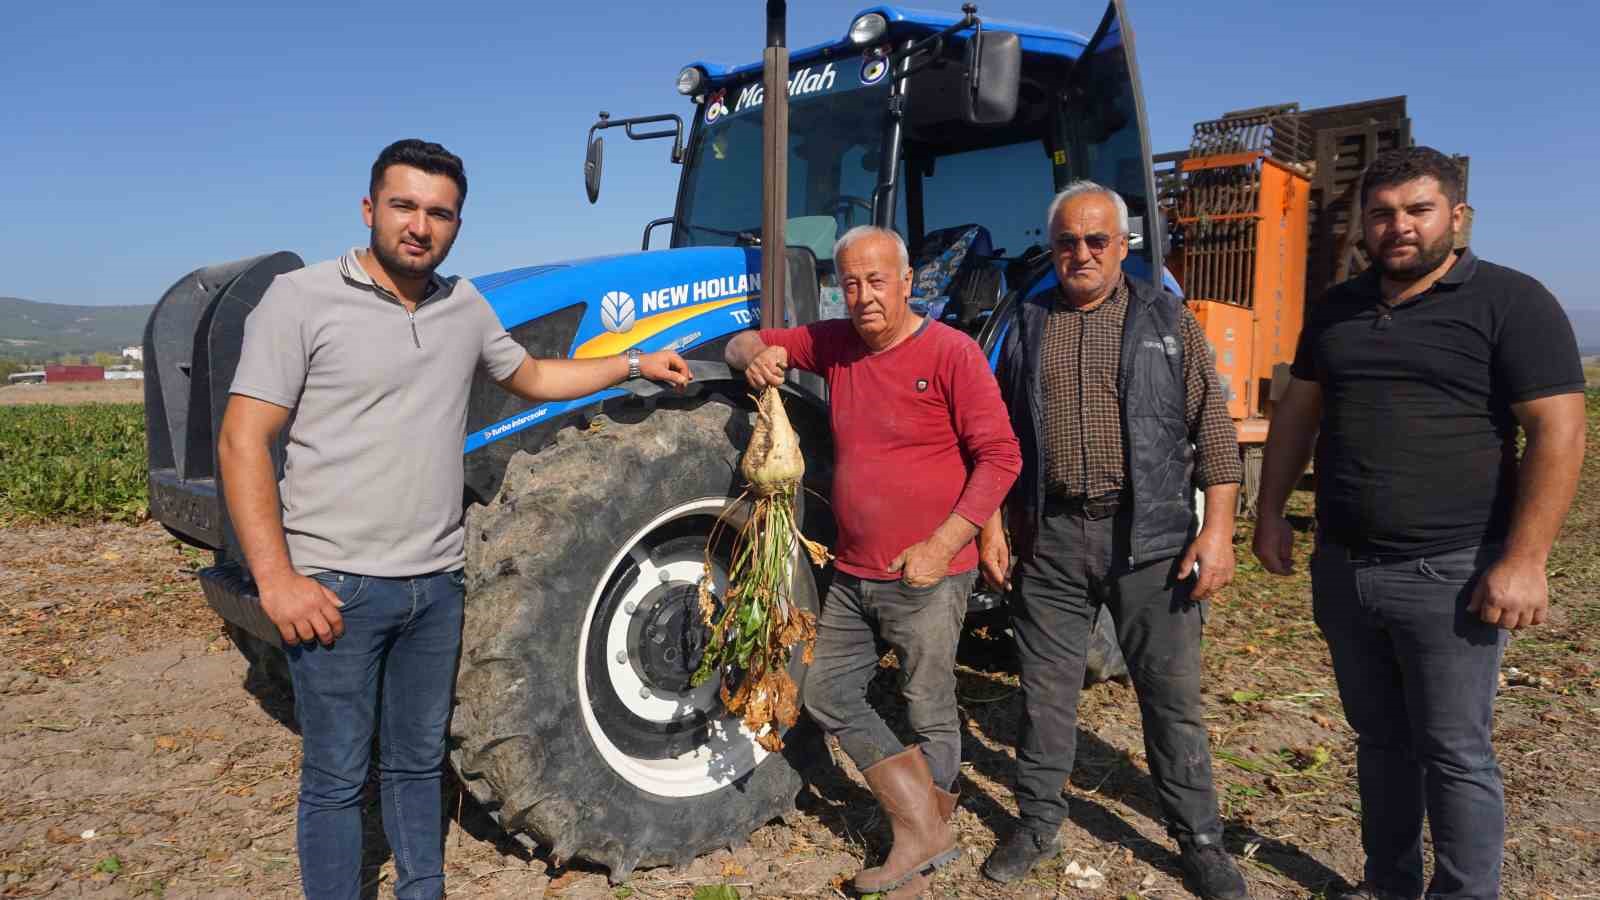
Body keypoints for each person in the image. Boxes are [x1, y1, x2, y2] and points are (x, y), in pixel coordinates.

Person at [217, 138, 691, 900]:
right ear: (369, 209)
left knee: (417, 764)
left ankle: (422, 889)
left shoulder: (463, 304)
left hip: (435, 586)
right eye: (403, 206)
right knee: (337, 775)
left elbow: (534, 376)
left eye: (439, 213)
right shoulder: (300, 300)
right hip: (336, 587)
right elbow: (243, 439)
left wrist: (635, 363)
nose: (420, 226)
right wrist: (275, 579)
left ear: (457, 225)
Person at [1251, 147, 1586, 900]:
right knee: (1379, 742)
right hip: (1345, 566)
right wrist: (1270, 513)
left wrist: (1525, 560)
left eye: (1418, 210)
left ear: (1457, 217)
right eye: (1382, 213)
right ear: (1363, 225)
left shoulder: (1511, 301)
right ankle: (1389, 884)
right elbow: (1299, 412)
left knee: (1455, 751)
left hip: (1453, 571)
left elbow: (1559, 431)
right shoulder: (1337, 307)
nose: (1398, 226)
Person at [726, 225, 1021, 898]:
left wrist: (943, 545)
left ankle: (921, 841)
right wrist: (753, 356)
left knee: (927, 705)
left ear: (908, 282)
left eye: (878, 280)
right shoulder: (836, 343)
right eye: (851, 283)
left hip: (929, 572)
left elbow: (1001, 457)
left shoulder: (951, 353)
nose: (864, 296)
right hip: (855, 571)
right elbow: (747, 340)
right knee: (826, 690)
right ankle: (925, 832)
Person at [980, 181, 1249, 899]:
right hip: (1051, 538)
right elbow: (994, 436)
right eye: (1067, 241)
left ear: (1122, 246)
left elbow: (1213, 429)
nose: (1082, 253)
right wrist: (993, 524)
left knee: (1170, 697)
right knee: (1044, 697)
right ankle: (1037, 825)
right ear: (1052, 249)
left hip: (1150, 538)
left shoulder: (1165, 317)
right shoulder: (1026, 321)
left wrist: (1218, 532)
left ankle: (1200, 842)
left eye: (1097, 240)